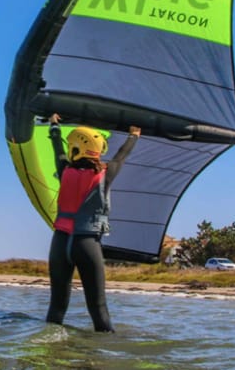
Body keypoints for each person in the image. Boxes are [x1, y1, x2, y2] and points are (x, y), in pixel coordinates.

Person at [45, 113, 140, 332]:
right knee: (98, 309)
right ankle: (103, 359)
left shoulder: (64, 170)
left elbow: (56, 148)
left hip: (59, 243)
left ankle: (48, 358)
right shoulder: (105, 174)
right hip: (86, 245)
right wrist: (133, 135)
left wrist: (54, 125)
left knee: (56, 309)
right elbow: (121, 156)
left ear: (75, 149)